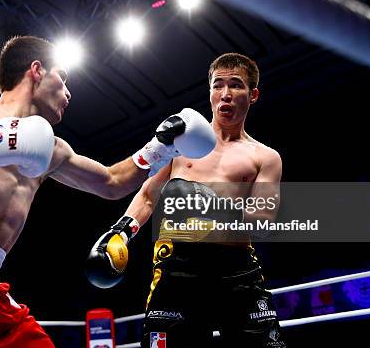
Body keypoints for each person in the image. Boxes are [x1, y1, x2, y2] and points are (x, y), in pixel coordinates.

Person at [0, 35, 216, 347]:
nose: (68, 92)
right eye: (64, 76)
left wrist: (161, 146)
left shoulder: (52, 150)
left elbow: (113, 182)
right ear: (37, 70)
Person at [87, 53, 286, 347]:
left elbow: (264, 222)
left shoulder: (265, 157)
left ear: (253, 94)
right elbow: (148, 196)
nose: (226, 94)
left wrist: (213, 208)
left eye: (236, 85)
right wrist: (121, 232)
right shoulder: (182, 141)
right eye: (218, 85)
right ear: (209, 92)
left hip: (237, 268)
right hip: (179, 266)